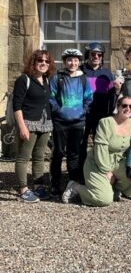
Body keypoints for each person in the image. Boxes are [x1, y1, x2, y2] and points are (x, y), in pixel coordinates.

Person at [62, 96, 131, 206]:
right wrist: (107, 171)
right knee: (104, 200)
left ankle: (113, 188)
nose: (128, 108)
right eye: (124, 105)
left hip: (117, 162)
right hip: (97, 162)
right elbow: (100, 149)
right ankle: (76, 187)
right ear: (118, 107)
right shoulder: (106, 122)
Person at [12, 50, 56, 203]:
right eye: (40, 60)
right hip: (28, 123)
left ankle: (38, 186)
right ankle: (23, 190)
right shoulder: (24, 80)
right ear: (34, 62)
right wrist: (22, 127)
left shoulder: (47, 80)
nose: (43, 63)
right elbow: (16, 105)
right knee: (23, 157)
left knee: (39, 157)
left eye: (47, 61)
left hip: (45, 125)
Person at [49, 48, 93, 194]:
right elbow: (51, 96)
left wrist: (83, 110)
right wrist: (58, 110)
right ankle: (55, 183)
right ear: (64, 62)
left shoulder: (83, 78)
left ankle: (72, 183)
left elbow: (88, 98)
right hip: (60, 122)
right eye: (69, 60)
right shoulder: (57, 77)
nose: (72, 63)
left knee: (74, 153)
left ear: (79, 62)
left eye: (75, 60)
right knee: (59, 152)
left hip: (78, 122)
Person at [80, 42, 117, 172]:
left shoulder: (107, 74)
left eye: (99, 55)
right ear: (88, 55)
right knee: (80, 144)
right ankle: (79, 172)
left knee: (100, 144)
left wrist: (110, 113)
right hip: (83, 114)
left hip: (101, 115)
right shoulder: (80, 71)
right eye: (93, 54)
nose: (96, 57)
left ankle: (96, 170)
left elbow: (112, 96)